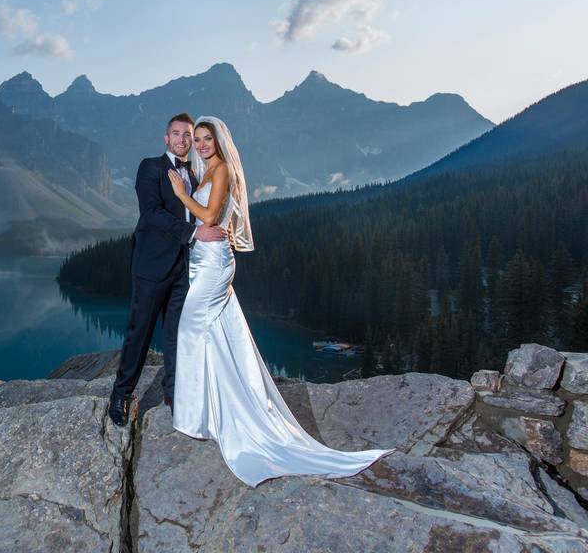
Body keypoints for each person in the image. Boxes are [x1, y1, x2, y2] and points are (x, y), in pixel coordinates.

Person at [165, 115, 395, 487]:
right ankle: (210, 411)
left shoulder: (220, 171)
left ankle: (197, 417)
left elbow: (208, 215)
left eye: (208, 139)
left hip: (214, 265)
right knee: (219, 336)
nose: (203, 144)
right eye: (199, 139)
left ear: (220, 142)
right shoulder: (204, 171)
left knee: (191, 329)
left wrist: (180, 195)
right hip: (201, 262)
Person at [107, 113, 227, 427]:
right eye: (177, 134)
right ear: (166, 138)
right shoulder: (151, 167)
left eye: (189, 135)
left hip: (185, 268)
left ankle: (174, 395)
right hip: (151, 267)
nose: (184, 140)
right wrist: (193, 234)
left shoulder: (197, 172)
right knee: (140, 332)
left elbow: (204, 210)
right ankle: (120, 395)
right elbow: (150, 214)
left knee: (177, 335)